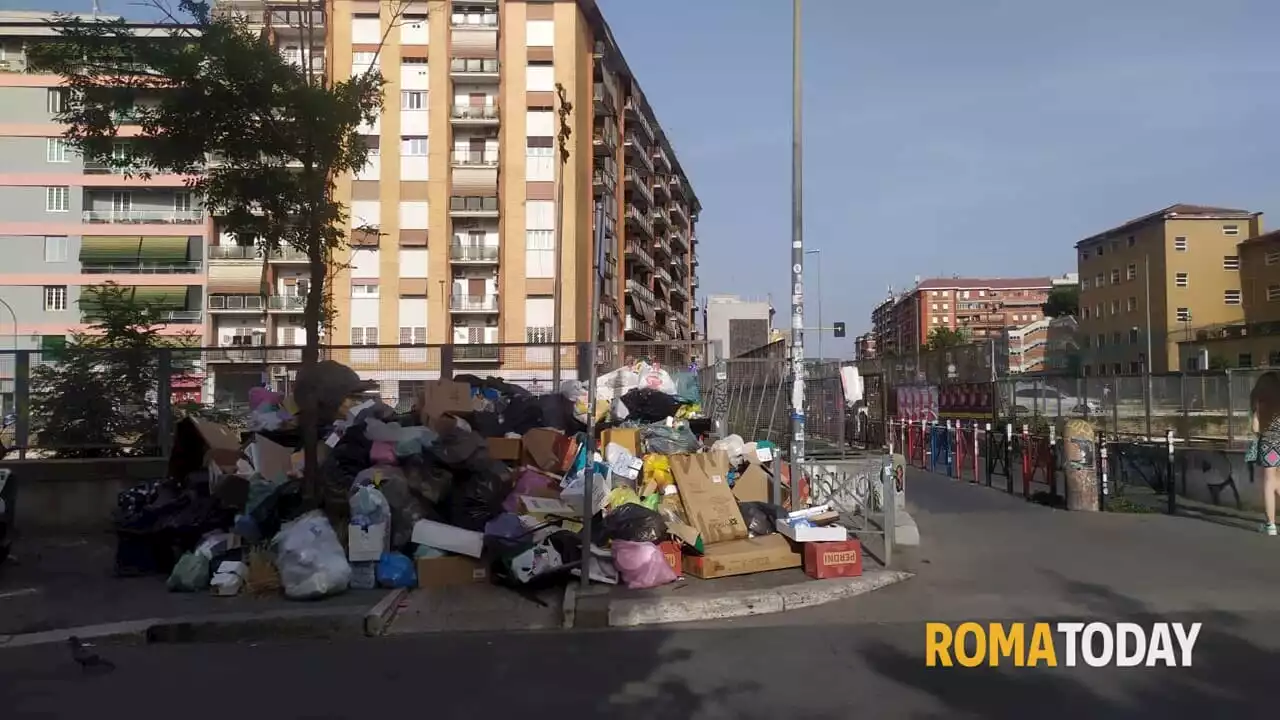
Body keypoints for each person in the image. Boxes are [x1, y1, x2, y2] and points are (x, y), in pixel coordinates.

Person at [1251, 371, 1280, 534]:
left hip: (1269, 445)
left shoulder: (1261, 403)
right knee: (1278, 481)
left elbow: (1254, 429)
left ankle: (1270, 524)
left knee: (1269, 482)